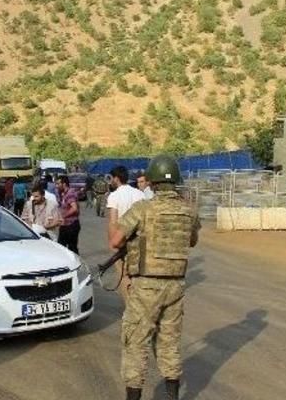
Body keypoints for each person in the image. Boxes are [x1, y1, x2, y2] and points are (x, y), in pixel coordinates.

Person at [109, 156, 200, 400]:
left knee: (135, 341)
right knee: (169, 342)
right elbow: (192, 240)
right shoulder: (189, 210)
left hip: (146, 287)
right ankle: (172, 396)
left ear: (151, 182)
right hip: (176, 285)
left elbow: (115, 241)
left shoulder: (142, 209)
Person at [107, 166, 146, 301]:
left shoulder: (114, 196)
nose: (110, 181)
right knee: (138, 275)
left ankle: (130, 307)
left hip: (121, 240)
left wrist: (113, 243)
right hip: (140, 242)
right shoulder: (140, 194)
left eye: (111, 178)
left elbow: (113, 221)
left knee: (124, 276)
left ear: (116, 179)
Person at [55, 176, 81, 254]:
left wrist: (63, 216)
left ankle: (75, 261)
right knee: (61, 247)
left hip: (71, 225)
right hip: (65, 225)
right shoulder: (63, 193)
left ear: (64, 184)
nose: (56, 186)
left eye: (58, 184)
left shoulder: (70, 194)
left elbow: (74, 208)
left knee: (72, 248)